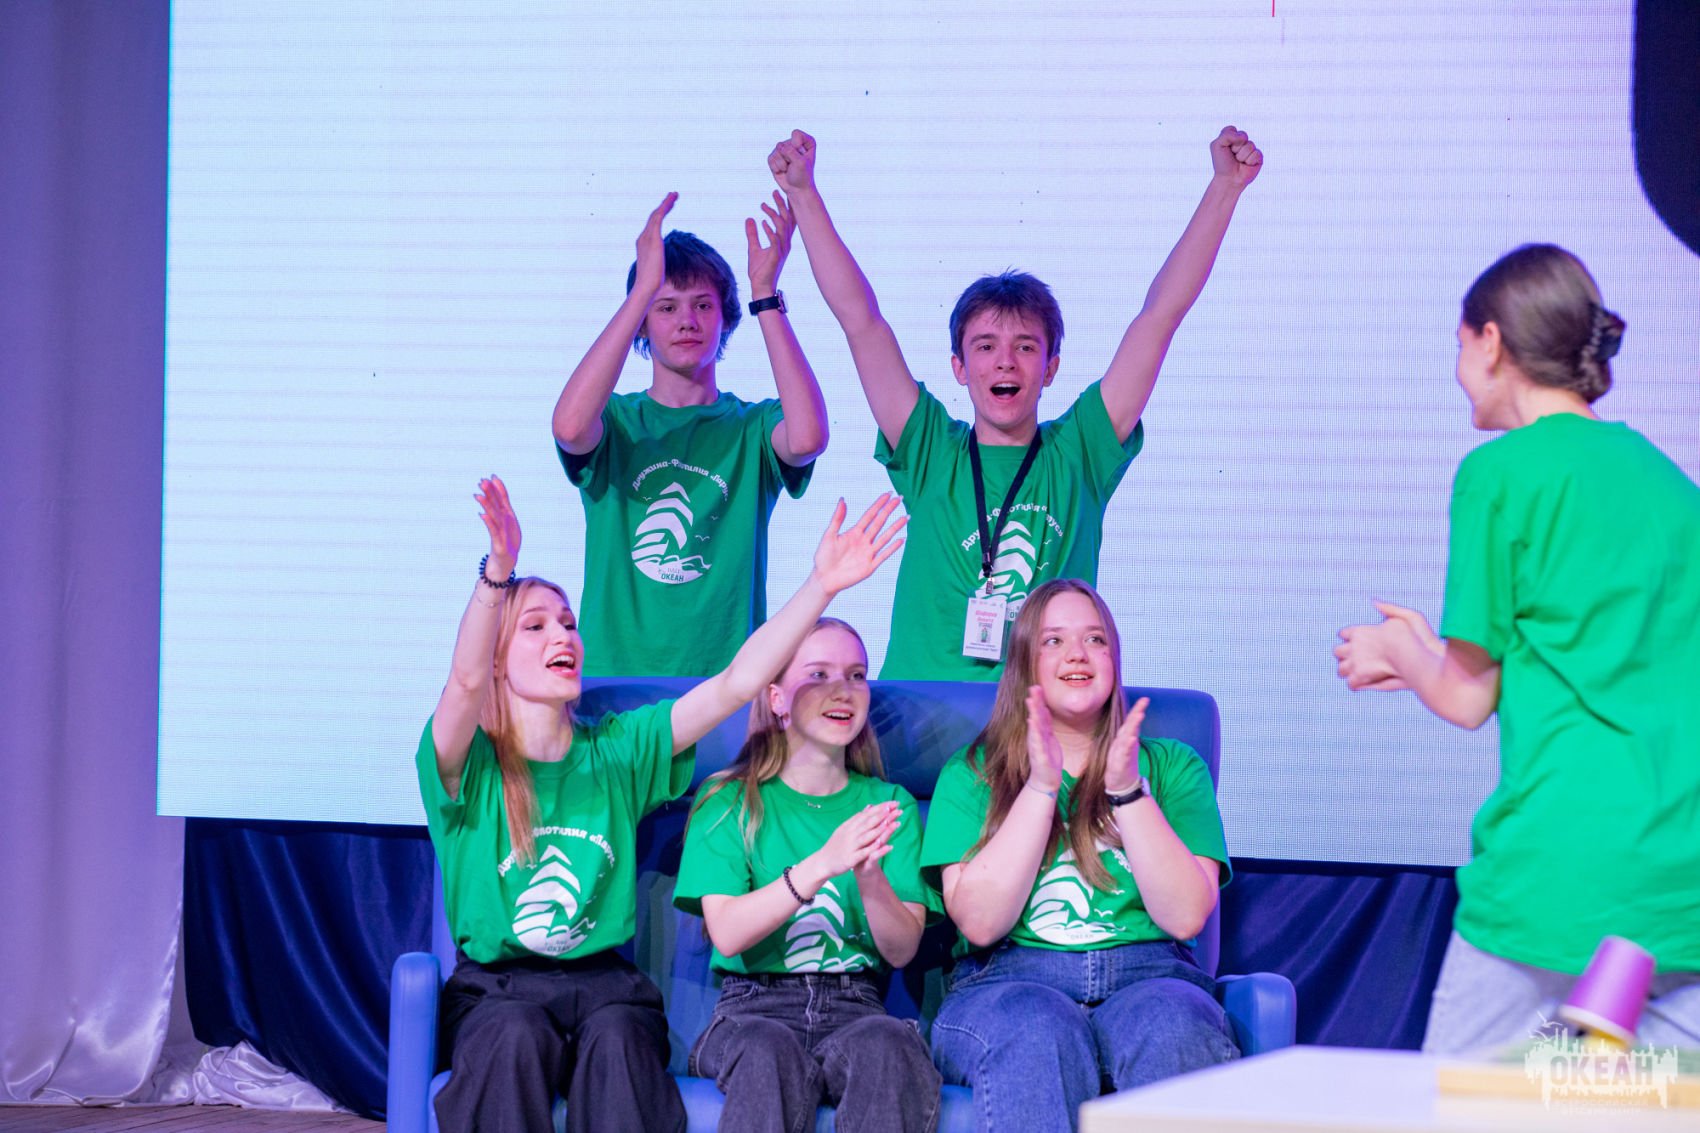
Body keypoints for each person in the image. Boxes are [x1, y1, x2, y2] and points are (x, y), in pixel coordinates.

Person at [418, 474, 904, 1133]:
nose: (563, 635)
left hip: (603, 987)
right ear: (500, 662)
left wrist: (822, 586)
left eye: (568, 623)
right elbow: (464, 680)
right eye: (534, 626)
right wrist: (497, 576)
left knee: (621, 1040)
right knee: (513, 1035)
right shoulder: (468, 764)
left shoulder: (620, 749)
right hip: (498, 991)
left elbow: (737, 683)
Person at [1335, 244, 1700, 1054]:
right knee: (1648, 1107)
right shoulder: (1673, 487)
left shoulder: (1500, 473)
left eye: (1459, 345)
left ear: (1491, 341)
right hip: (1681, 878)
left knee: (1461, 1100)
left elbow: (1466, 698)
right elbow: (1583, 656)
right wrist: (1423, 653)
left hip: (1561, 868)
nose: (1458, 370)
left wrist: (1397, 645)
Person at [770, 126, 1262, 680]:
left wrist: (1225, 187)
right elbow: (861, 322)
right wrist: (803, 194)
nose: (1005, 362)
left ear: (1050, 368)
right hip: (919, 715)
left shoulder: (1080, 452)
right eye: (985, 347)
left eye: (1025, 347)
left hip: (1039, 718)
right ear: (960, 367)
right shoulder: (931, 449)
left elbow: (1159, 317)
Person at [920, 579, 1239, 1132]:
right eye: (1054, 641)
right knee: (1037, 1030)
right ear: (1025, 662)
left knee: (1173, 1028)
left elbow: (1187, 916)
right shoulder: (972, 772)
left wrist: (1128, 793)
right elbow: (980, 922)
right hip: (1009, 982)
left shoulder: (1172, 766)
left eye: (1095, 639)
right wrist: (1040, 787)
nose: (1077, 654)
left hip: (1149, 977)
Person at [674, 618, 943, 1133]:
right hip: (754, 1007)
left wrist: (869, 876)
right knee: (768, 1050)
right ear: (776, 698)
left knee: (889, 1045)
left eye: (856, 675)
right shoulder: (729, 799)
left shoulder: (889, 804)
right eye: (819, 674)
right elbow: (727, 931)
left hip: (856, 1003)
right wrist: (822, 864)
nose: (843, 690)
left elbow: (901, 950)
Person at [552, 191, 830, 676]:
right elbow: (570, 428)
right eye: (666, 308)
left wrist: (764, 293)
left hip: (727, 685)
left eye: (703, 305)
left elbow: (807, 439)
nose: (687, 321)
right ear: (642, 325)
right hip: (615, 684)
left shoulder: (752, 428)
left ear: (725, 319)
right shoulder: (616, 420)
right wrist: (642, 290)